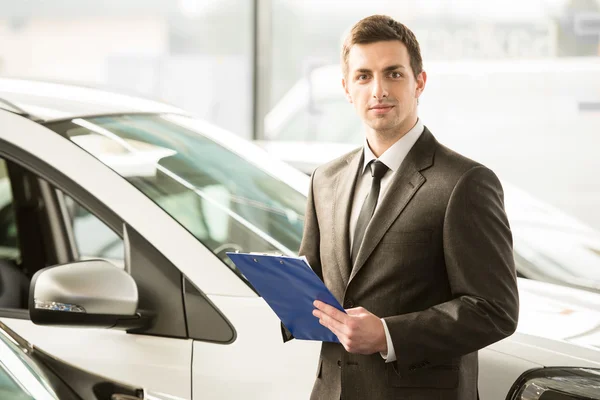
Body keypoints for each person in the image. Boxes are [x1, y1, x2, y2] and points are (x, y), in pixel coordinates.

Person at [284, 14, 519, 400]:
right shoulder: (324, 180)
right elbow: (318, 280)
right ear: (346, 88)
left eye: (393, 73)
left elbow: (495, 309)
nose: (378, 90)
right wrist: (283, 291)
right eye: (363, 76)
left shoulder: (464, 182)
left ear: (418, 82)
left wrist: (388, 333)